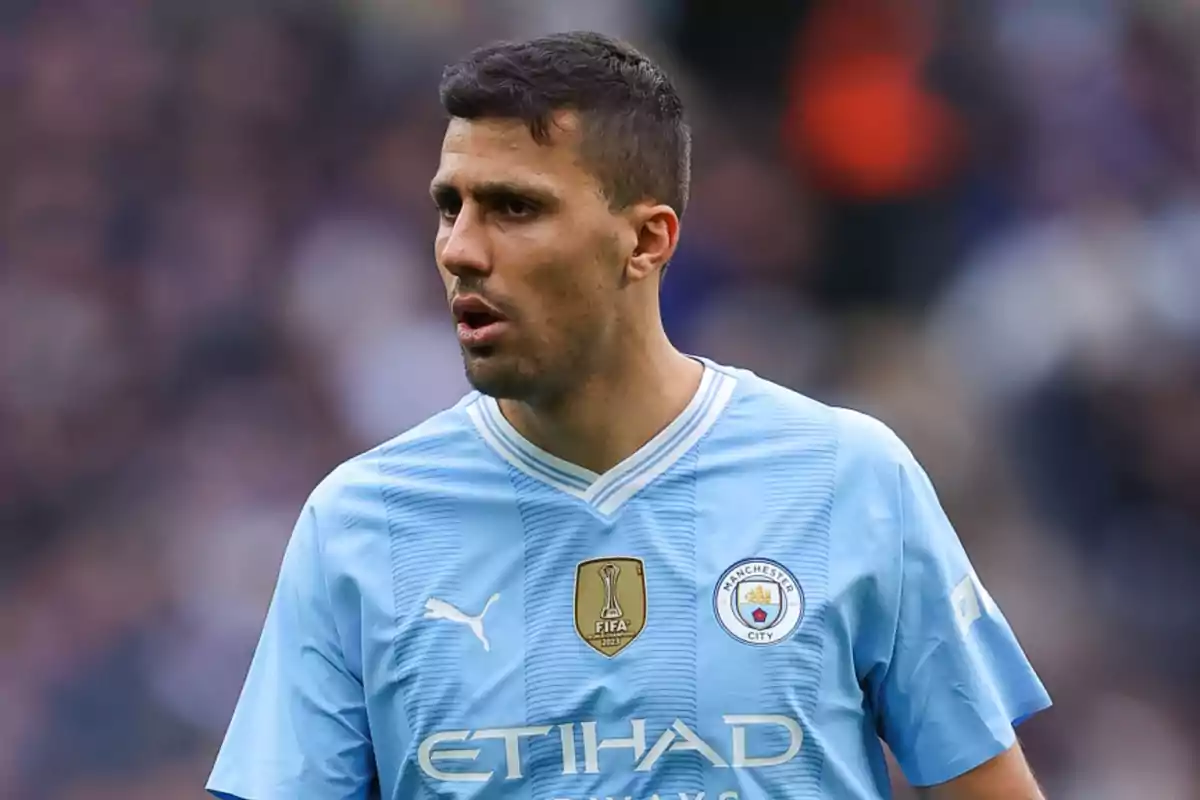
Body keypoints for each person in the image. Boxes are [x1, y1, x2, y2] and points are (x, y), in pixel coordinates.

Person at [207, 31, 1051, 800]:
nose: (461, 247)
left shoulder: (847, 478)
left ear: (647, 241)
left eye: (514, 207)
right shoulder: (361, 523)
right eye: (449, 206)